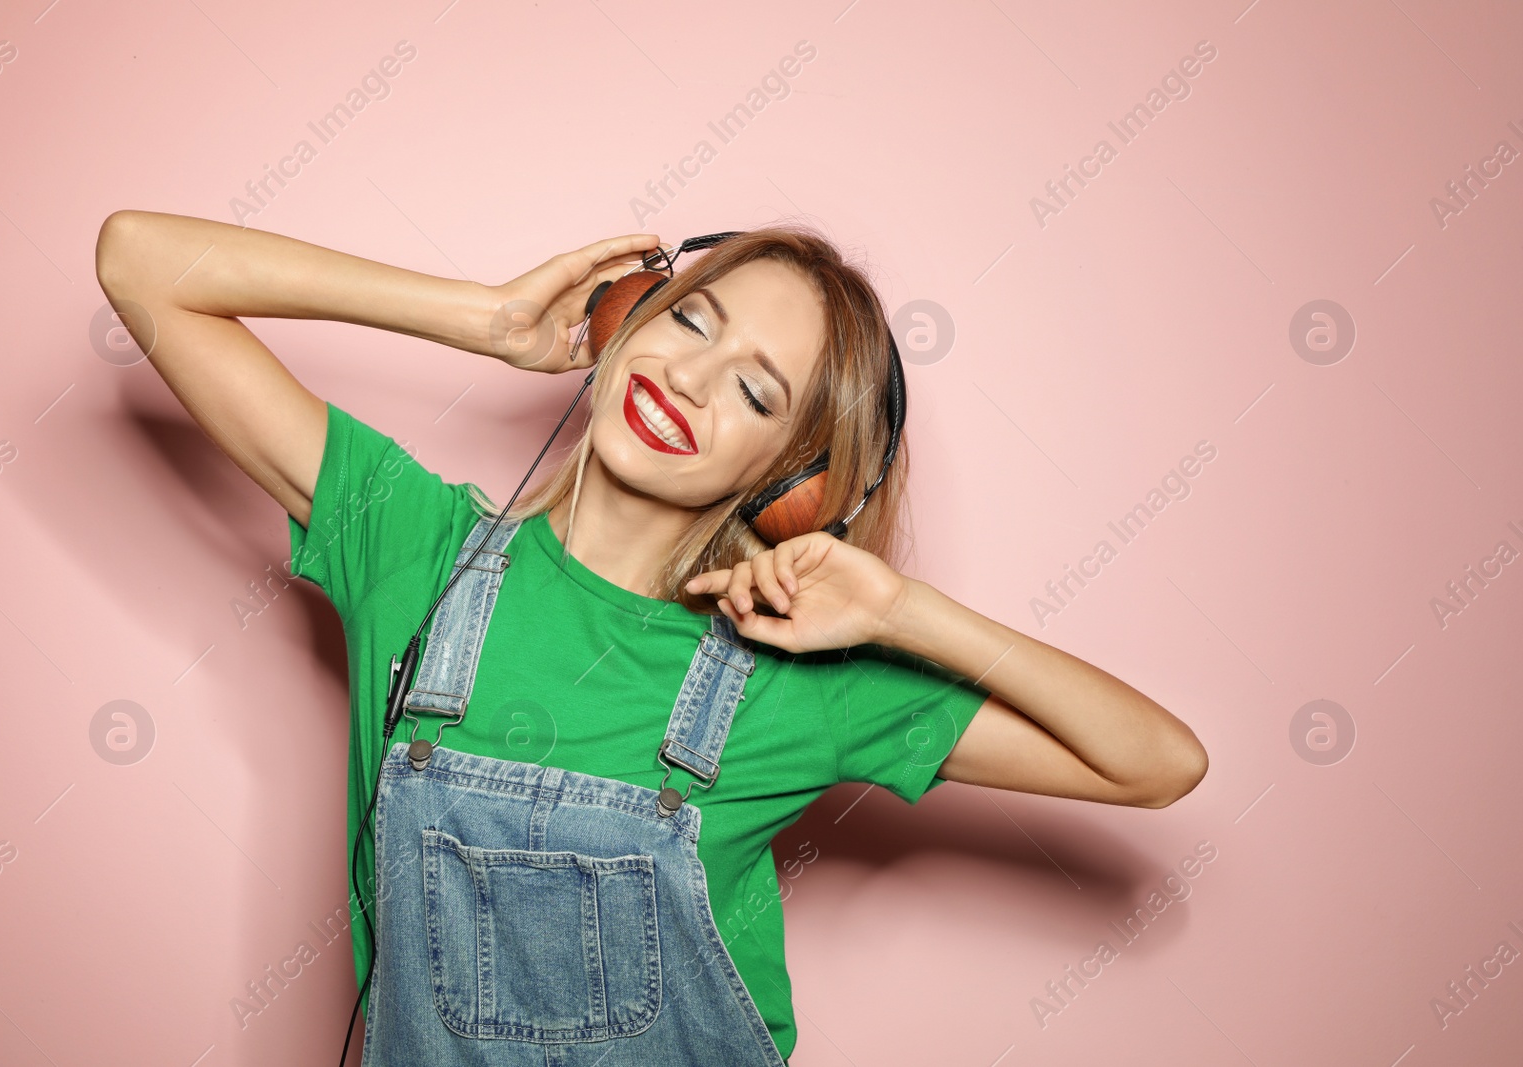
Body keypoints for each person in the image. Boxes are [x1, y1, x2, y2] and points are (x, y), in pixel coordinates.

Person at [94, 212, 1208, 1065]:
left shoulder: (793, 679)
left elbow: (1155, 760)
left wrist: (901, 612)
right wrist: (474, 316)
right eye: (687, 319)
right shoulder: (413, 548)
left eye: (754, 391)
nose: (686, 376)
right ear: (626, 316)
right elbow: (141, 260)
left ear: (790, 484)